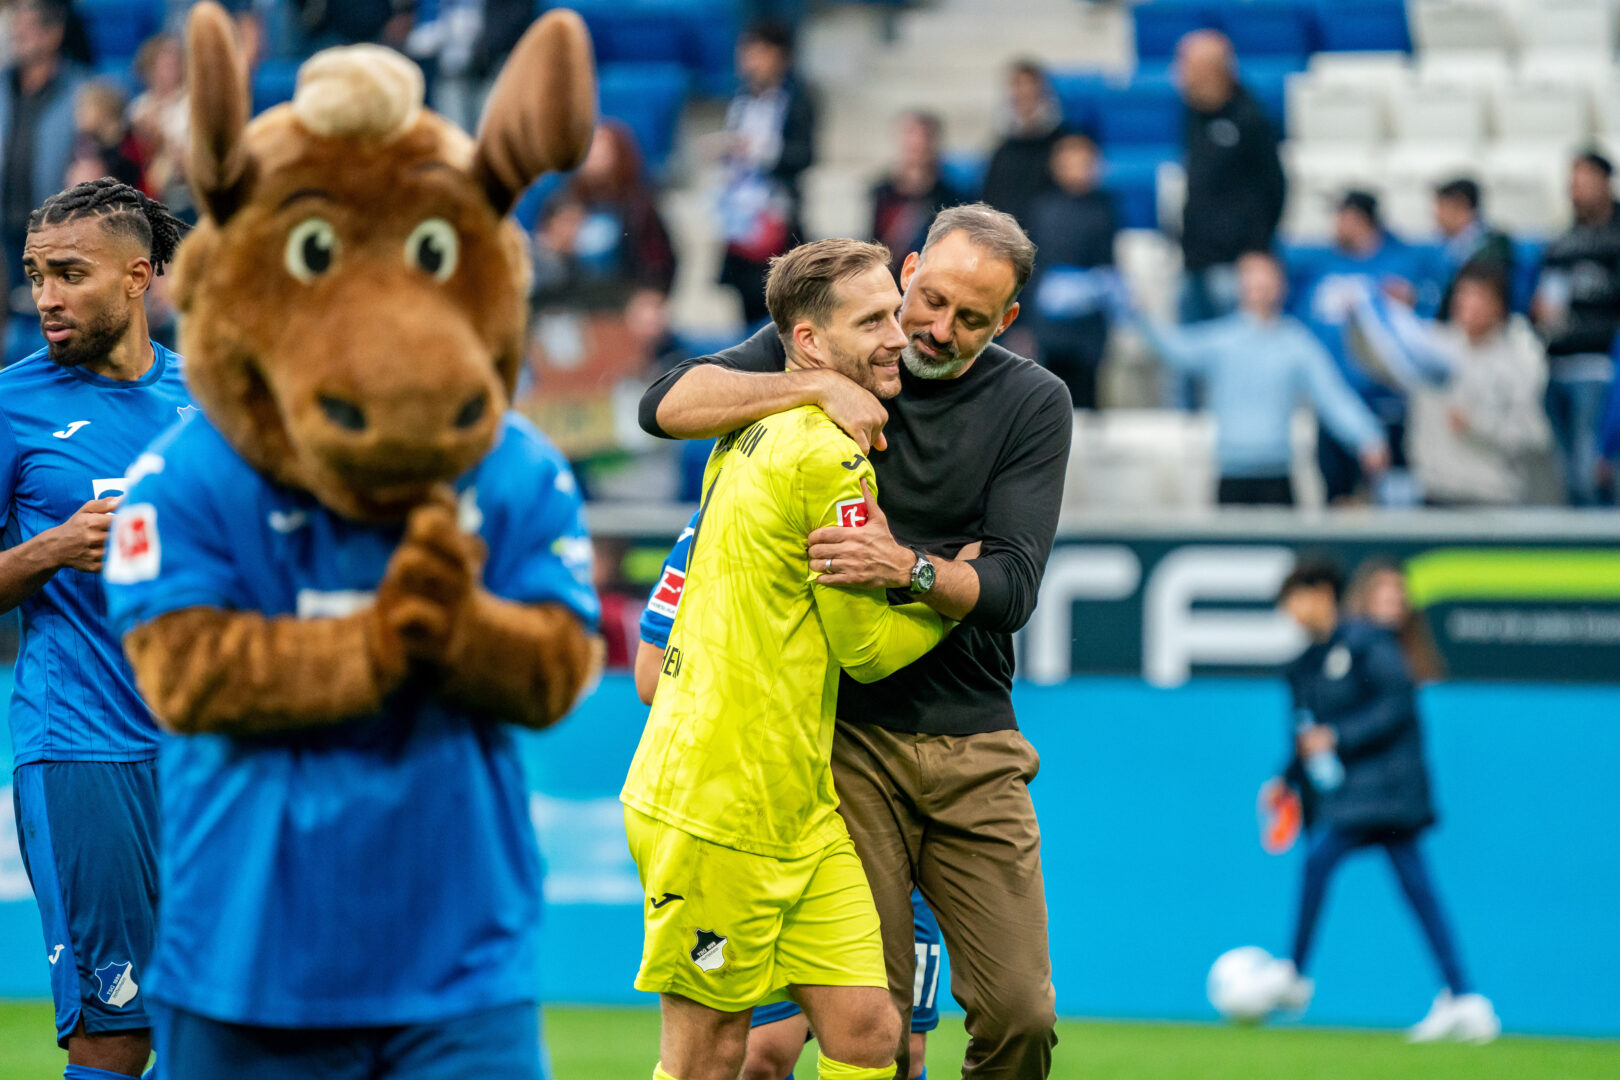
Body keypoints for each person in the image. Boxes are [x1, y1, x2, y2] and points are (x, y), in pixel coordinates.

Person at [638, 204, 1071, 1080]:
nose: (935, 331)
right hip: (841, 744)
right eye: (931, 300)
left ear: (1008, 321)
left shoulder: (1032, 402)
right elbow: (664, 403)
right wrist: (811, 388)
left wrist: (908, 568)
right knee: (853, 1033)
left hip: (971, 734)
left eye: (973, 319)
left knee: (1016, 1017)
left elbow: (1014, 587)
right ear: (909, 271)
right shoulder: (838, 363)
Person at [621, 238, 951, 1080]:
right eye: (872, 322)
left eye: (895, 313)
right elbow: (867, 650)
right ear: (808, 342)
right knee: (708, 1055)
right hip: (718, 812)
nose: (899, 336)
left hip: (798, 812)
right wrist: (954, 588)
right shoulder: (827, 454)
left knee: (868, 1030)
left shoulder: (745, 426)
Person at [632, 515, 946, 1080]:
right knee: (759, 1053)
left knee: (891, 1042)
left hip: (883, 809)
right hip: (764, 817)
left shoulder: (903, 515)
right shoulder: (723, 520)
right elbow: (652, 675)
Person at [1, 179, 191, 1080]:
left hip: (207, 757)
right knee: (117, 1033)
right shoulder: (11, 407)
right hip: (83, 749)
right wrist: (48, 550)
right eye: (36, 274)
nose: (46, 296)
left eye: (70, 274)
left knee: (231, 1018)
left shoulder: (209, 403)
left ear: (137, 278)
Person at [1271, 560, 1499, 1044]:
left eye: (1294, 599)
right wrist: (1286, 779)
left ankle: (1293, 973)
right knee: (1416, 887)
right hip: (1362, 793)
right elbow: (1309, 734)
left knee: (1320, 859)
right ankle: (1464, 996)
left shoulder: (1368, 643)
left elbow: (1395, 706)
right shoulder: (1309, 662)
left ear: (1322, 593)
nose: (1289, 611)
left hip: (1387, 792)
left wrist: (1339, 736)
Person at [1138, 250, 1388, 506]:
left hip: (1277, 473)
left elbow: (1331, 396)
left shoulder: (1295, 343)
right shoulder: (1223, 340)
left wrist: (1368, 437)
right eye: (1251, 280)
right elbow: (1177, 350)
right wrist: (1139, 313)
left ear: (1281, 286)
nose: (1259, 288)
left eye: (1266, 280)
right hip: (1231, 472)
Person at [1348, 267, 1551, 507]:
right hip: (1434, 493)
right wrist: (1367, 318)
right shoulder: (1431, 346)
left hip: (1492, 497)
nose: (1466, 303)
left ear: (1498, 305)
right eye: (1462, 294)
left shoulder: (1518, 360)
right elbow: (1380, 363)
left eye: (1477, 296)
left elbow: (1532, 438)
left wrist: (1476, 426)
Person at [1295, 190, 1432, 504]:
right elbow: (1305, 326)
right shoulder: (1323, 268)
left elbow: (1427, 326)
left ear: (1361, 220)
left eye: (1342, 217)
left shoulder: (1401, 265)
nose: (1335, 225)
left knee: (1394, 499)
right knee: (1337, 497)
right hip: (1335, 403)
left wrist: (1411, 303)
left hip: (1388, 404)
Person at [1173, 30, 1285, 327]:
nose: (1179, 74)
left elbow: (1275, 187)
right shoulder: (1192, 114)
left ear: (1212, 70)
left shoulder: (1250, 118)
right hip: (1195, 261)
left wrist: (1257, 250)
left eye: (1186, 65)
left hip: (1235, 265)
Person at [1532, 150, 1620, 506]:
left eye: (1584, 181)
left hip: (1601, 369)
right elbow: (1543, 298)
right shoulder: (1563, 241)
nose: (1575, 190)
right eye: (1572, 183)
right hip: (1557, 365)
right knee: (1567, 478)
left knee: (1593, 472)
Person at [717, 21, 817, 326]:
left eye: (758, 53)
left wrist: (758, 151)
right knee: (745, 308)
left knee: (782, 308)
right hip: (741, 218)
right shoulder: (741, 100)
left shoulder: (798, 100)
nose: (750, 62)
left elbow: (804, 155)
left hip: (776, 214)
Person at [2, 1, 90, 341]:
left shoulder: (80, 91)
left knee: (51, 332)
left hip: (51, 234)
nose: (19, 36)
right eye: (17, 28)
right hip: (2, 233)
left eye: (28, 28)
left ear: (54, 34)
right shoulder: (3, 85)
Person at [1026, 132, 1119, 410]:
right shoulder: (1042, 208)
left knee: (1088, 395)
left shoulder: (1105, 207)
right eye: (1071, 162)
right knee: (1051, 396)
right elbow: (1033, 264)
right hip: (1050, 324)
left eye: (1085, 162)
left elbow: (1107, 263)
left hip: (1090, 324)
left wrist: (1095, 289)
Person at [869, 111, 957, 281]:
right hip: (889, 282)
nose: (917, 144)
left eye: (924, 138)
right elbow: (873, 244)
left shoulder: (949, 197)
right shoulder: (882, 194)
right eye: (911, 137)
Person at [980, 60, 1065, 230]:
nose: (1024, 93)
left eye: (1030, 86)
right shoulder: (1002, 148)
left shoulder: (1061, 143)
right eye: (1018, 86)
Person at [1343, 559, 1446, 684]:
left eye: (1399, 587)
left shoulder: (1420, 657)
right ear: (1364, 597)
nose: (1394, 595)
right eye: (1382, 586)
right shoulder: (1345, 650)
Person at [1432, 177, 1512, 323]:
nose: (1436, 216)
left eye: (1441, 207)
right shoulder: (1450, 247)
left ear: (1461, 204)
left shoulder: (1495, 246)